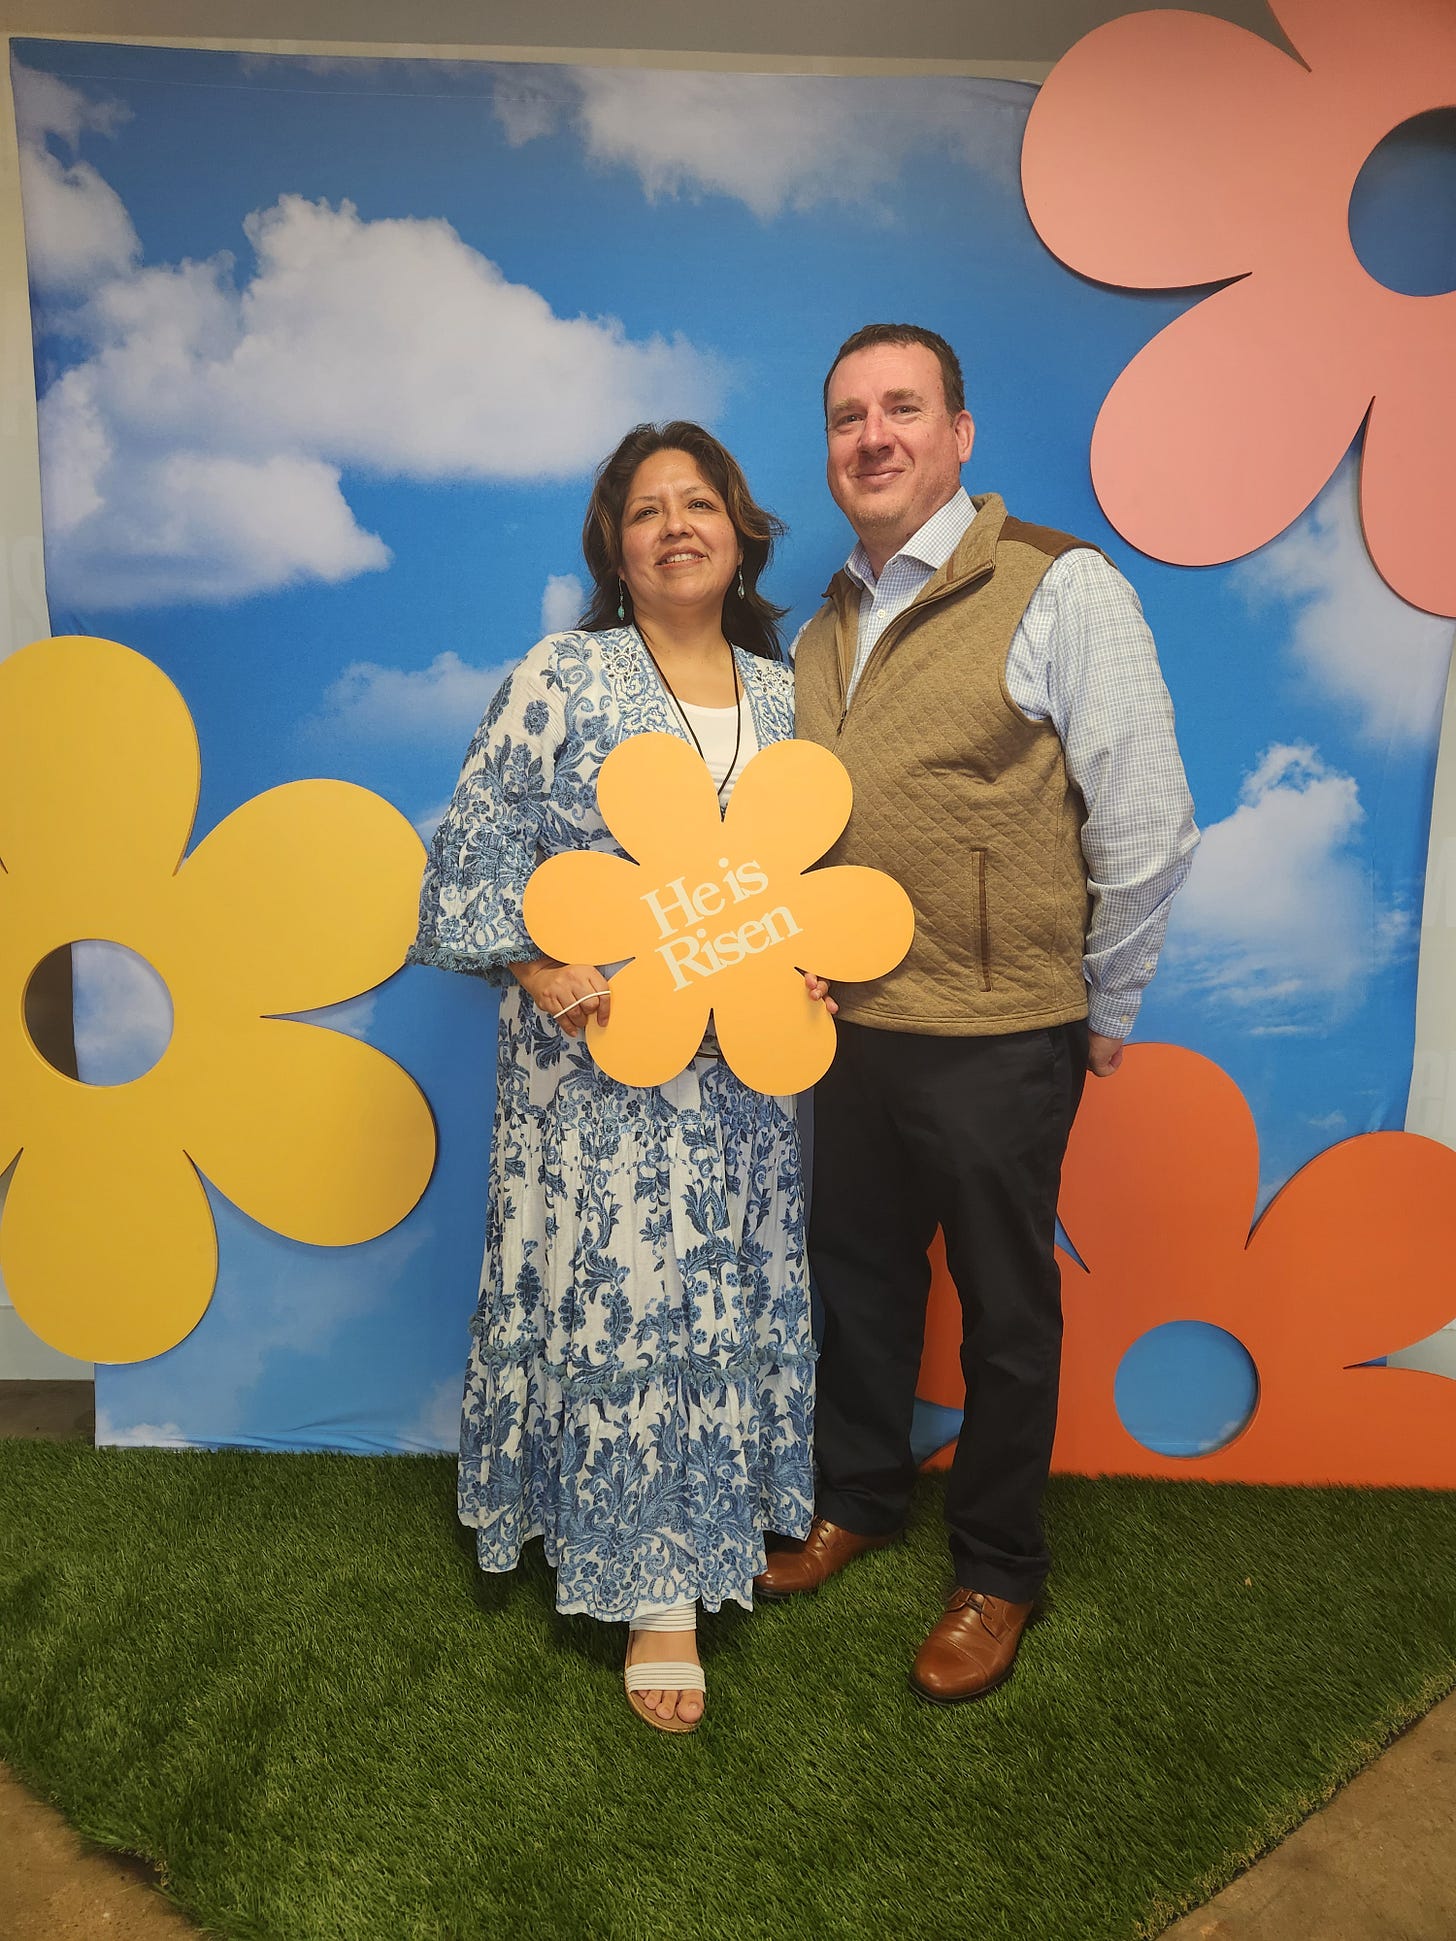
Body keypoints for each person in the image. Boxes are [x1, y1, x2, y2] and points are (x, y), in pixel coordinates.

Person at [755, 323, 1199, 1702]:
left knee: (1005, 1312)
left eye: (902, 408)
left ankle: (1000, 1569)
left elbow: (1148, 823)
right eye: (847, 417)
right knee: (860, 1278)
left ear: (959, 434)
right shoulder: (820, 626)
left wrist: (1104, 1003)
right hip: (849, 1030)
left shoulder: (1060, 584)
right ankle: (858, 1496)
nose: (872, 436)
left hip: (1003, 1031)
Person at [411, 422, 826, 1734]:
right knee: (632, 1302)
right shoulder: (563, 676)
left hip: (743, 1082)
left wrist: (813, 968)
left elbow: (805, 877)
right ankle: (655, 1591)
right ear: (616, 546)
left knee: (721, 1289)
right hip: (595, 1069)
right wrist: (538, 964)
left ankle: (724, 1517)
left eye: (699, 502)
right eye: (647, 510)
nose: (675, 526)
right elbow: (466, 862)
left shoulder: (788, 696)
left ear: (740, 530)